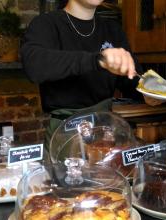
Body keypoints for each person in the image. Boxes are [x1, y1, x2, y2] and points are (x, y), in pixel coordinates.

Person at [21, 0, 149, 149]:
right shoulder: (46, 24)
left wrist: (149, 93)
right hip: (67, 135)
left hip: (107, 133)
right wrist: (98, 60)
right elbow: (35, 66)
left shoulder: (113, 30)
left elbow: (131, 80)